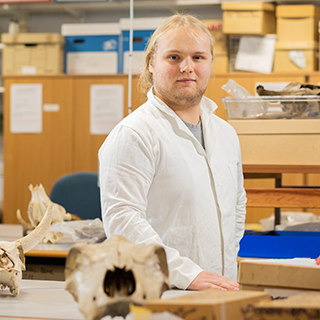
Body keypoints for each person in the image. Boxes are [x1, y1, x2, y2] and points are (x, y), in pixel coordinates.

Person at [98, 13, 247, 291]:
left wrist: (219, 270)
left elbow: (237, 205)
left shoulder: (225, 133)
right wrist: (185, 274)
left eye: (198, 57)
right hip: (163, 292)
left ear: (210, 63)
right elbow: (122, 220)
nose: (187, 67)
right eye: (174, 57)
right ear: (152, 63)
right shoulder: (134, 134)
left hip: (220, 288)